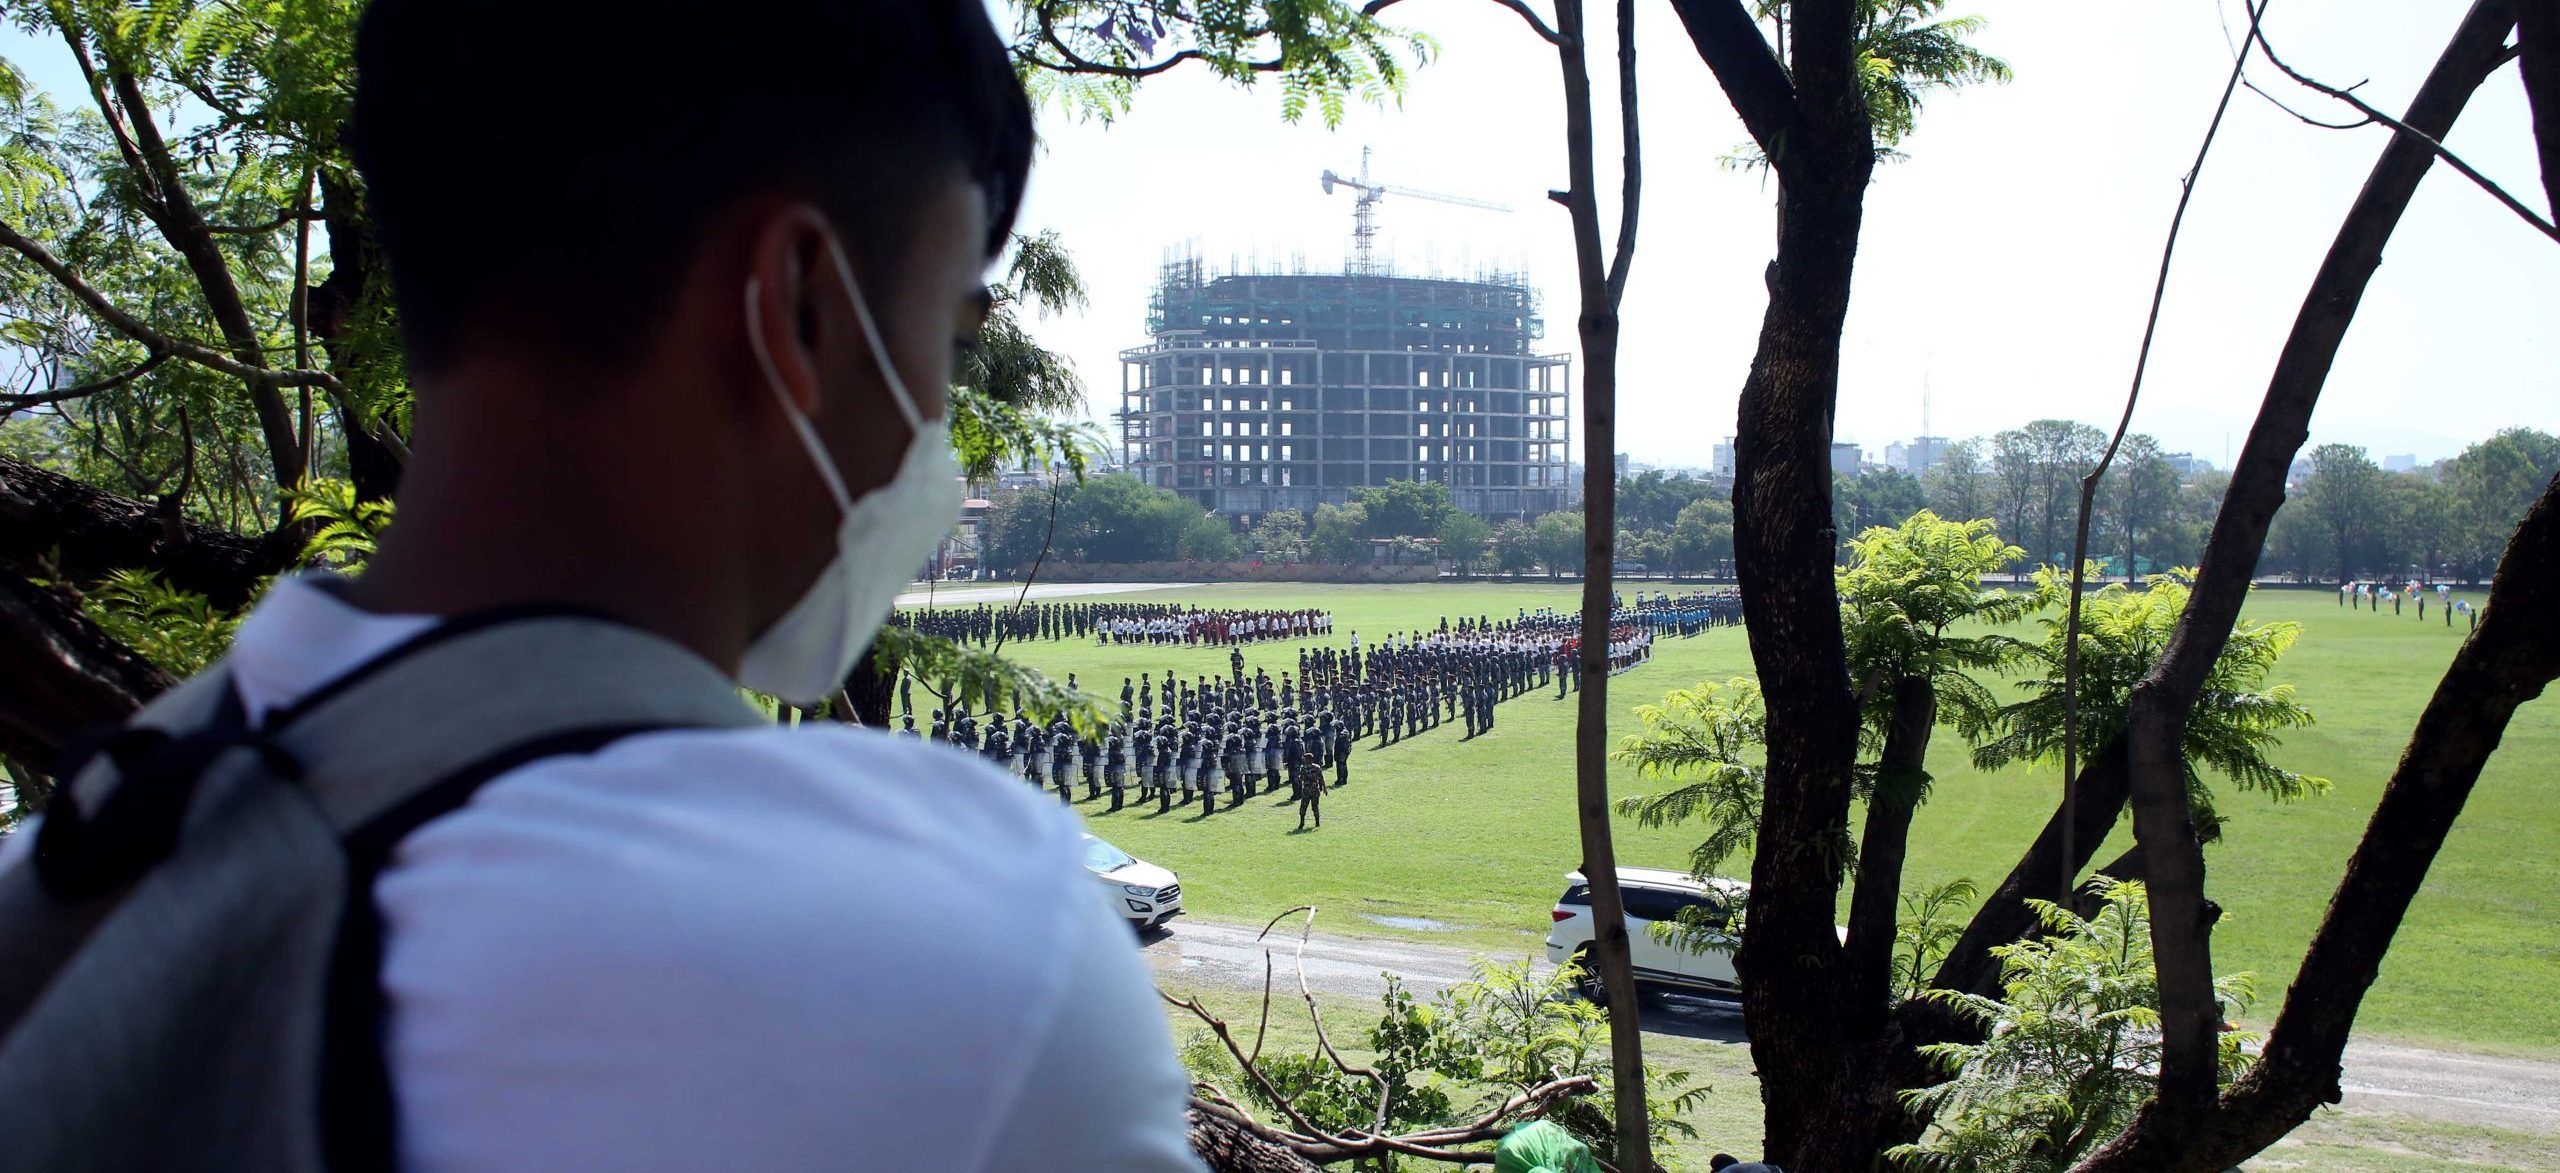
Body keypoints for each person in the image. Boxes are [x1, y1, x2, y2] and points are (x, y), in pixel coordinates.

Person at [0, 3, 1203, 1168]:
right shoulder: (968, 959)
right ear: (795, 305)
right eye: (946, 336)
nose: (936, 421)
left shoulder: (58, 887)